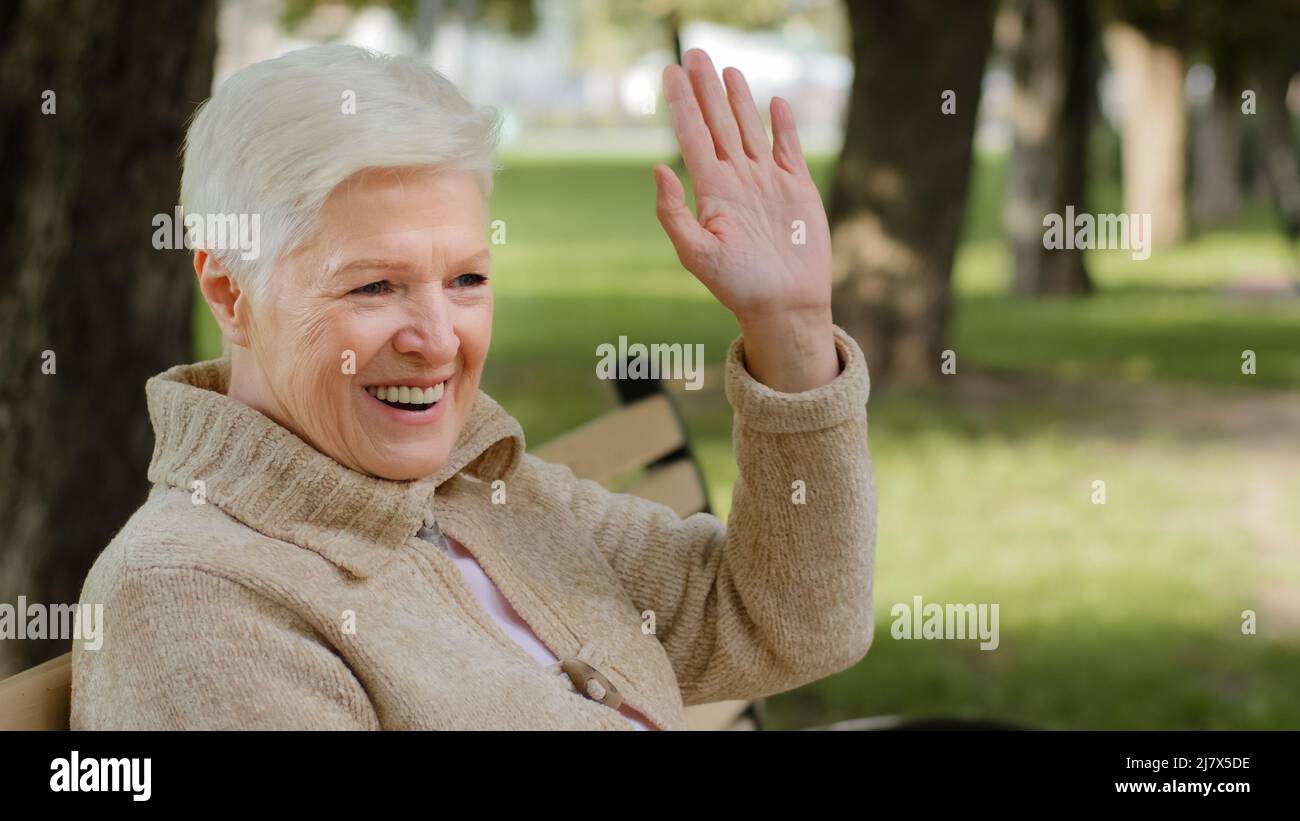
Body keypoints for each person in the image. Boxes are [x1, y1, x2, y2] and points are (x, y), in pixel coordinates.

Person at [70, 43, 877, 730]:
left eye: (465, 277)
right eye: (373, 287)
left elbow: (790, 623)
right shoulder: (189, 595)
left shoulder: (473, 487)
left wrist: (792, 327)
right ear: (229, 291)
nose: (437, 340)